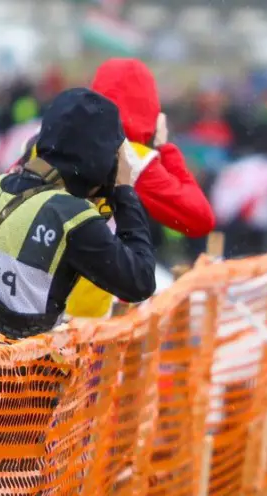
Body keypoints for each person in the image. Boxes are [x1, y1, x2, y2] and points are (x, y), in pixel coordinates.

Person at [0, 88, 156, 352]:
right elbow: (140, 281)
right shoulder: (68, 215)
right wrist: (124, 191)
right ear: (100, 160)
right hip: (18, 389)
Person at [16, 58, 215, 318]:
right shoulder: (130, 156)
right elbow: (199, 218)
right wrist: (165, 147)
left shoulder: (40, 142)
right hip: (79, 319)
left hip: (20, 296)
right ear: (149, 107)